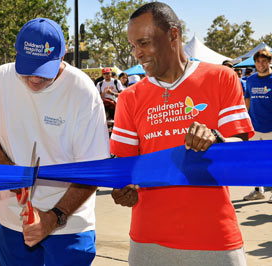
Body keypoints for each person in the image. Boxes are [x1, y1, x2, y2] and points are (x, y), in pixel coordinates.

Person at [110, 3, 253, 266]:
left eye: (143, 43)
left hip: (214, 239)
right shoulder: (129, 98)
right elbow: (125, 166)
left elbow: (241, 148)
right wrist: (125, 188)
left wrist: (217, 140)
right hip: (148, 241)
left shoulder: (221, 78)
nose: (137, 54)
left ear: (173, 35)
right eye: (133, 46)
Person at [0, 18, 109, 266]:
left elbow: (93, 169)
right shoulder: (1, 78)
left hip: (71, 224)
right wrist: (17, 180)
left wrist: (53, 217)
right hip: (13, 221)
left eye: (44, 69)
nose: (35, 78)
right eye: (28, 68)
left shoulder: (82, 90)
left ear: (63, 54)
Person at [242, 49, 272, 202]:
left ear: (269, 62)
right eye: (259, 62)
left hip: (270, 128)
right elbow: (247, 101)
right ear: (255, 63)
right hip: (255, 127)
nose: (261, 64)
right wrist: (245, 121)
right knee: (254, 160)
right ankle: (257, 190)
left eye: (264, 61)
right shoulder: (251, 80)